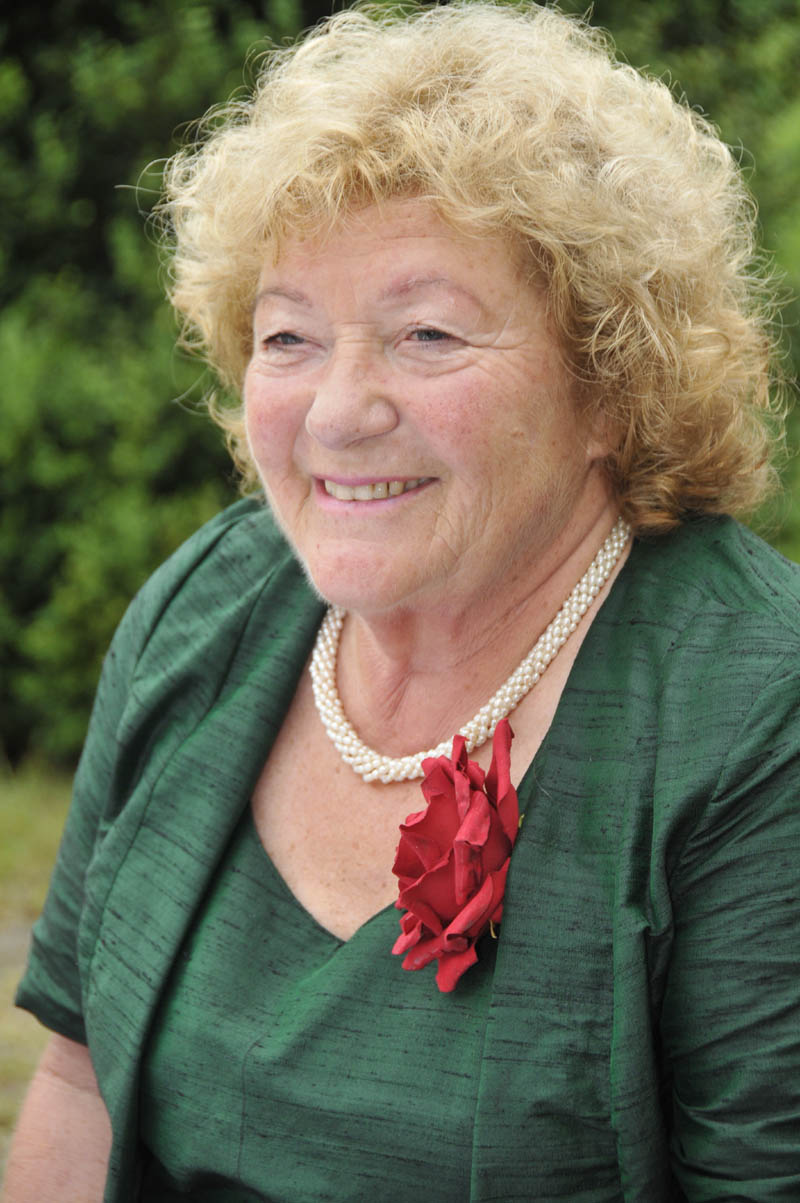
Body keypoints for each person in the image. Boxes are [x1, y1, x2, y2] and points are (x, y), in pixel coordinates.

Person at [4, 3, 799, 1199]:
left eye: (425, 334)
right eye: (288, 337)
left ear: (607, 389)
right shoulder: (207, 609)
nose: (337, 412)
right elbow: (77, 1078)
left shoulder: (754, 715)